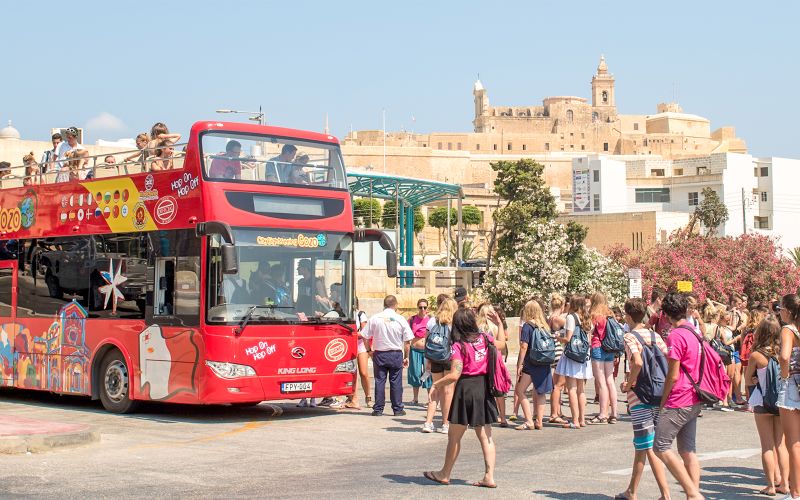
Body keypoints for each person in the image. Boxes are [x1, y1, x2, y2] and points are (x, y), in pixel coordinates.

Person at [424, 308, 499, 488]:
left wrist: (436, 384)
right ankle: (489, 476)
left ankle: (444, 473)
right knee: (486, 436)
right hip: (483, 388)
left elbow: (454, 375)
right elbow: (502, 344)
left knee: (454, 436)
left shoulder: (459, 346)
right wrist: (498, 324)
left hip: (465, 389)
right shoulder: (485, 338)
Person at [617, 297, 671, 500]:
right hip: (658, 392)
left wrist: (629, 383)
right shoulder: (655, 335)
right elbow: (668, 358)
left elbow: (637, 362)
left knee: (648, 446)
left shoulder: (630, 337)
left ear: (628, 316)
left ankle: (665, 494)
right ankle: (631, 490)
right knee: (643, 445)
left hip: (639, 395)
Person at [653, 292, 704, 500]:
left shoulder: (676, 335)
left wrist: (663, 401)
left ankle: (692, 493)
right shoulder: (694, 331)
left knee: (660, 446)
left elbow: (672, 375)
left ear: (666, 314)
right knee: (688, 450)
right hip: (695, 395)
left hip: (679, 397)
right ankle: (693, 494)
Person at [746, 315, 789, 496]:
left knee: (767, 446)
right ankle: (785, 484)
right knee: (781, 445)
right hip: (781, 401)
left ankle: (771, 485)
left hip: (762, 402)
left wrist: (755, 379)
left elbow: (748, 380)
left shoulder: (756, 355)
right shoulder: (783, 353)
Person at [362, 295, 413, 416]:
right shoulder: (400, 319)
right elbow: (407, 342)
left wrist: (369, 351)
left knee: (379, 381)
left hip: (380, 353)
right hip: (395, 353)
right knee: (396, 382)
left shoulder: (375, 318)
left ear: (384, 304)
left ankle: (378, 409)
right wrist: (406, 356)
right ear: (396, 305)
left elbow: (365, 337)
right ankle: (397, 409)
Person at [554, 294, 593, 429]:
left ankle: (575, 420)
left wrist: (558, 337)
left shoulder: (571, 317)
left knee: (572, 388)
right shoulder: (587, 317)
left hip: (572, 355)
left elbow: (568, 338)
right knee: (581, 389)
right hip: (584, 355)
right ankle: (582, 419)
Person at [515, 299, 553, 430]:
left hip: (531, 363)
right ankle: (539, 421)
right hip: (544, 362)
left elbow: (524, 346)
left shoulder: (527, 326)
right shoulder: (545, 326)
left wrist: (519, 364)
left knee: (520, 391)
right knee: (541, 392)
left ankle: (529, 420)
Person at [422, 296, 457, 433]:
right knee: (448, 391)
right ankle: (445, 424)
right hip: (449, 358)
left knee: (435, 388)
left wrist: (428, 360)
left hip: (435, 358)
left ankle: (428, 422)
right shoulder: (455, 322)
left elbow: (426, 341)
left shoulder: (432, 321)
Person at [777, 294, 800, 499]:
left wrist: (784, 376)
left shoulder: (788, 329)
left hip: (792, 384)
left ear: (789, 311)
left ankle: (796, 492)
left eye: (781, 308)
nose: (779, 312)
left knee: (793, 443)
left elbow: (784, 356)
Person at [588, 292, 619, 424]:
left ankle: (603, 414)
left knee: (601, 382)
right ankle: (614, 413)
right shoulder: (610, 313)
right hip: (610, 348)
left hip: (598, 347)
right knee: (610, 380)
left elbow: (589, 331)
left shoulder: (594, 314)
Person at [476, 303, 508, 426]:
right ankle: (503, 417)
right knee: (498, 388)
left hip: (482, 360)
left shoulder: (477, 328)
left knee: (483, 388)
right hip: (496, 360)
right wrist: (499, 323)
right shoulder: (495, 327)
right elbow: (501, 344)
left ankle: (483, 416)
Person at [343, 298, 370, 410]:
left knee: (363, 372)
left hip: (360, 345)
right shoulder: (344, 314)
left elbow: (365, 332)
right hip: (349, 345)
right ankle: (354, 399)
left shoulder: (360, 314)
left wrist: (352, 334)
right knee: (352, 372)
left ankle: (368, 397)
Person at [548, 294, 569, 424]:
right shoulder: (560, 319)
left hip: (552, 351)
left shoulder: (549, 318)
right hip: (559, 351)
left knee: (555, 384)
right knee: (559, 385)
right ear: (562, 306)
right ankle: (554, 414)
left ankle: (557, 411)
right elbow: (573, 329)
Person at [408, 298, 432, 405]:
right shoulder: (412, 319)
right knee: (415, 373)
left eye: (425, 307)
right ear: (417, 307)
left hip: (427, 351)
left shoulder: (431, 320)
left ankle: (430, 399)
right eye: (420, 307)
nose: (422, 309)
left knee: (428, 373)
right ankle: (415, 398)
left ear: (427, 308)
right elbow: (406, 334)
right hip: (415, 350)